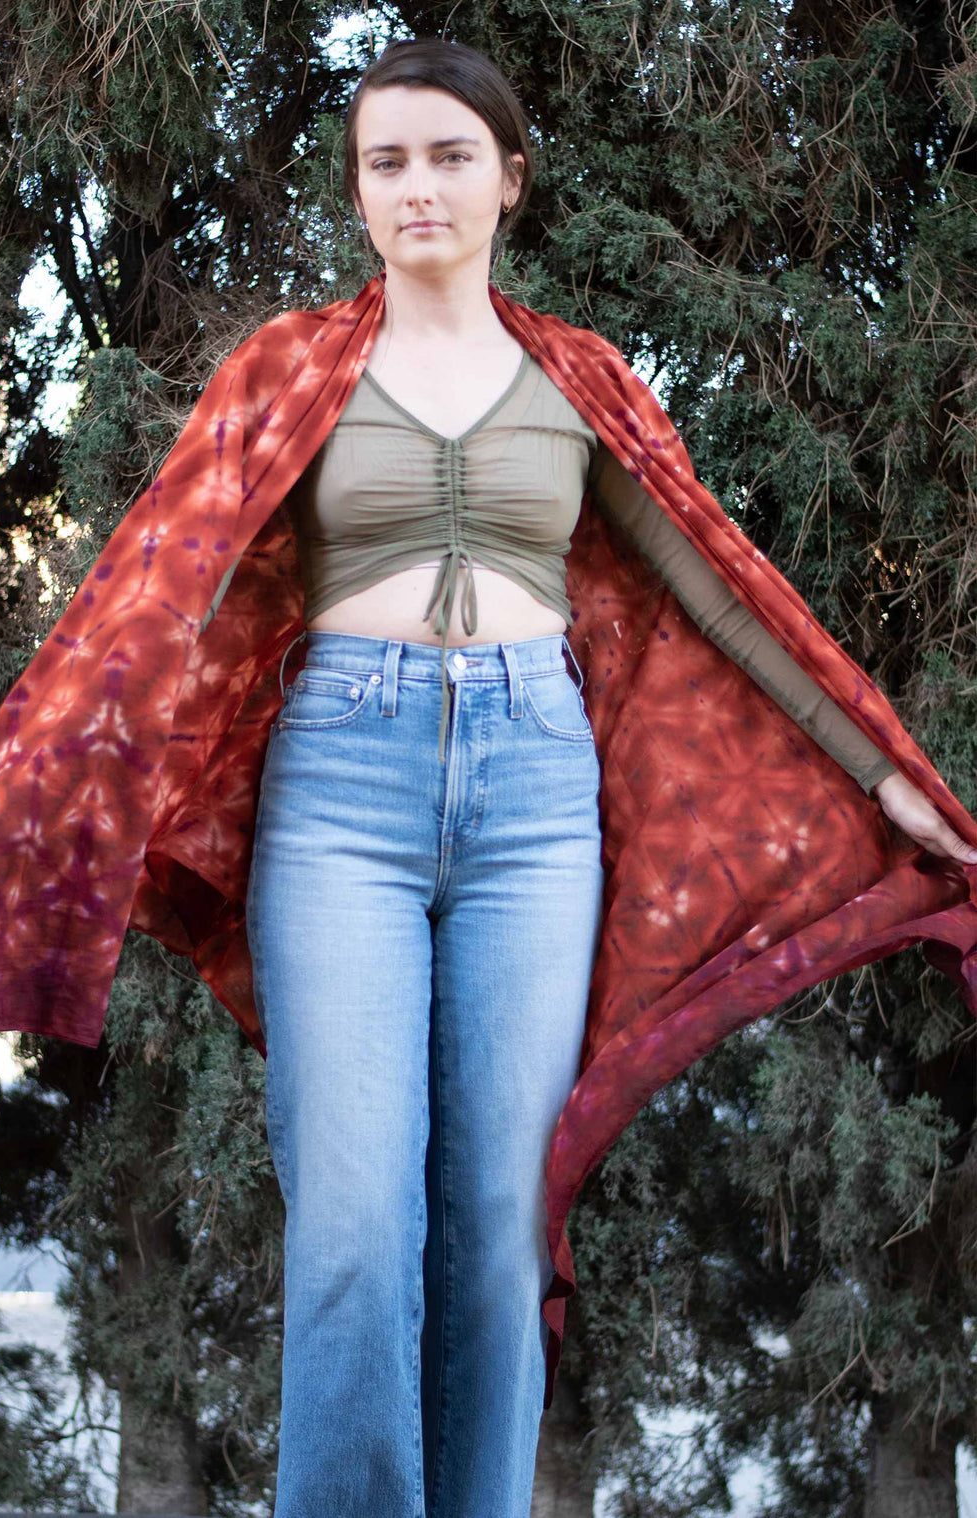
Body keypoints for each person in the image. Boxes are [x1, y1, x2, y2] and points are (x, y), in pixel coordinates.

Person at [241, 36, 977, 1518]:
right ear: (358, 190)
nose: (418, 186)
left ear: (508, 179)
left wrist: (876, 772)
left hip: (531, 800)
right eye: (387, 160)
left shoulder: (576, 376)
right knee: (349, 1228)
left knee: (503, 1225)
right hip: (337, 795)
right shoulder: (285, 371)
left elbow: (714, 592)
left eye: (450, 155)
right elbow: (171, 592)